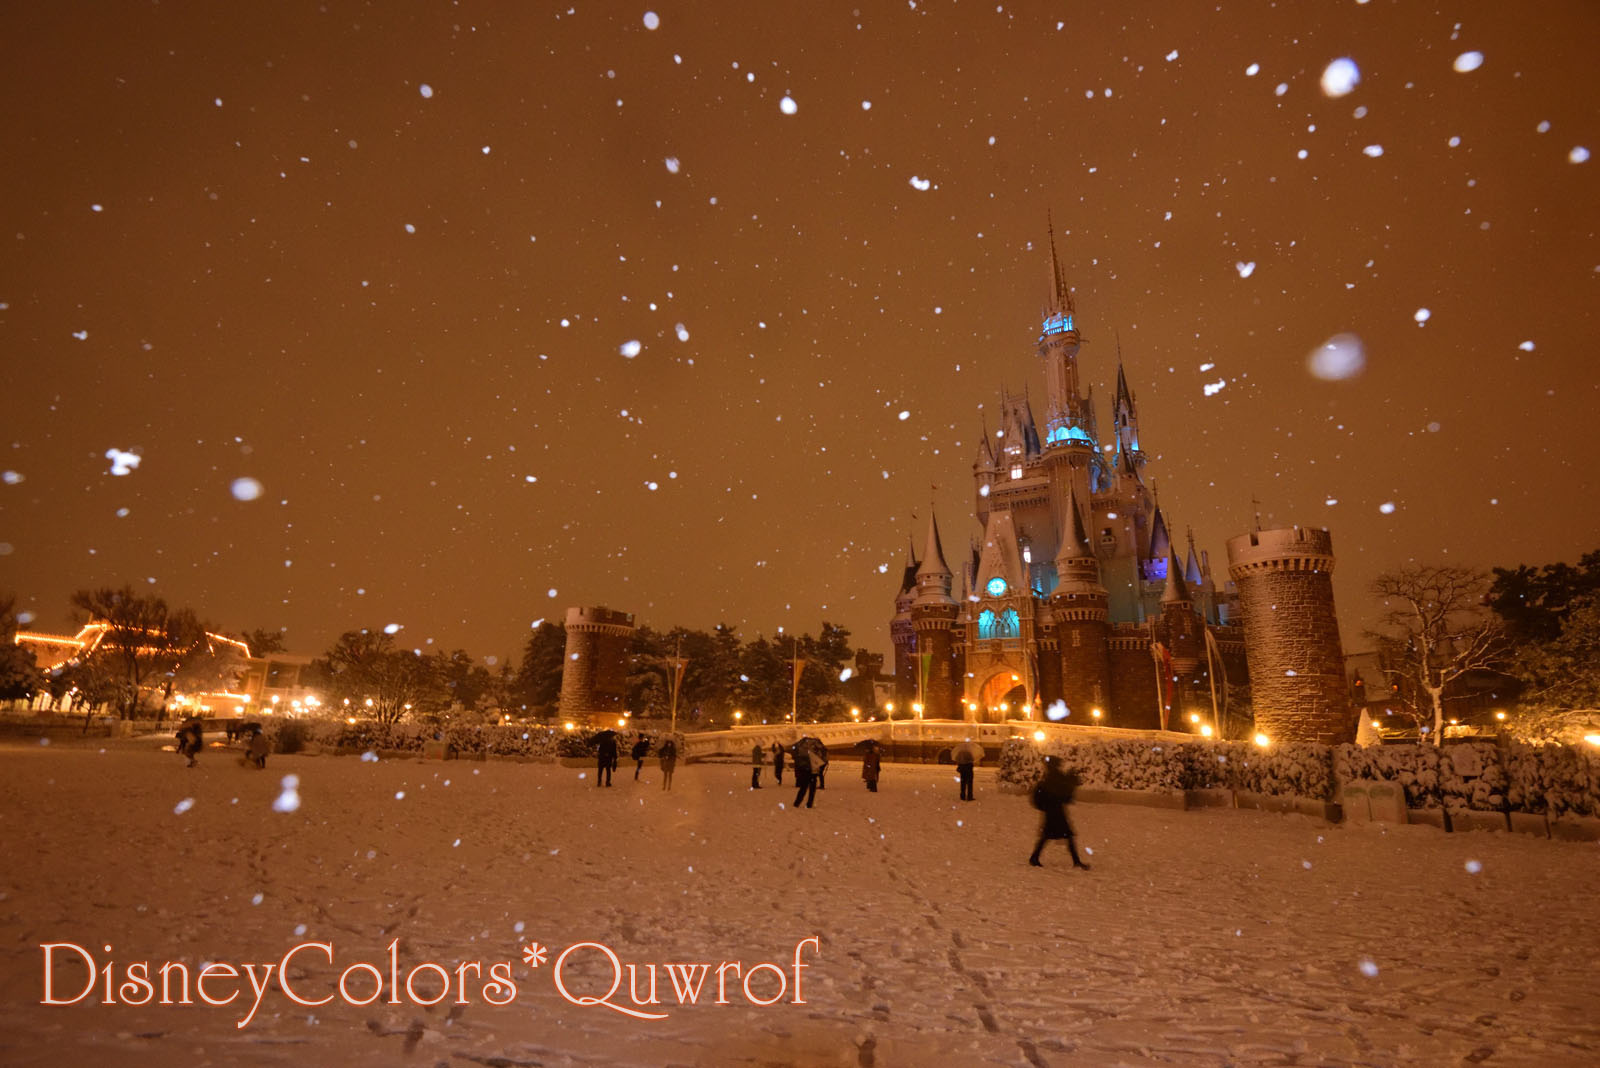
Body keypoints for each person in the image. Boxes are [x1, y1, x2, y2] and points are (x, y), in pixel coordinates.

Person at [1028, 757, 1090, 870]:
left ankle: (1035, 857)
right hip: (1056, 811)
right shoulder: (1055, 776)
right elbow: (1063, 792)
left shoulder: (1050, 776)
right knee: (1065, 835)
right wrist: (1071, 780)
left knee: (1049, 835)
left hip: (1052, 811)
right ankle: (1075, 861)